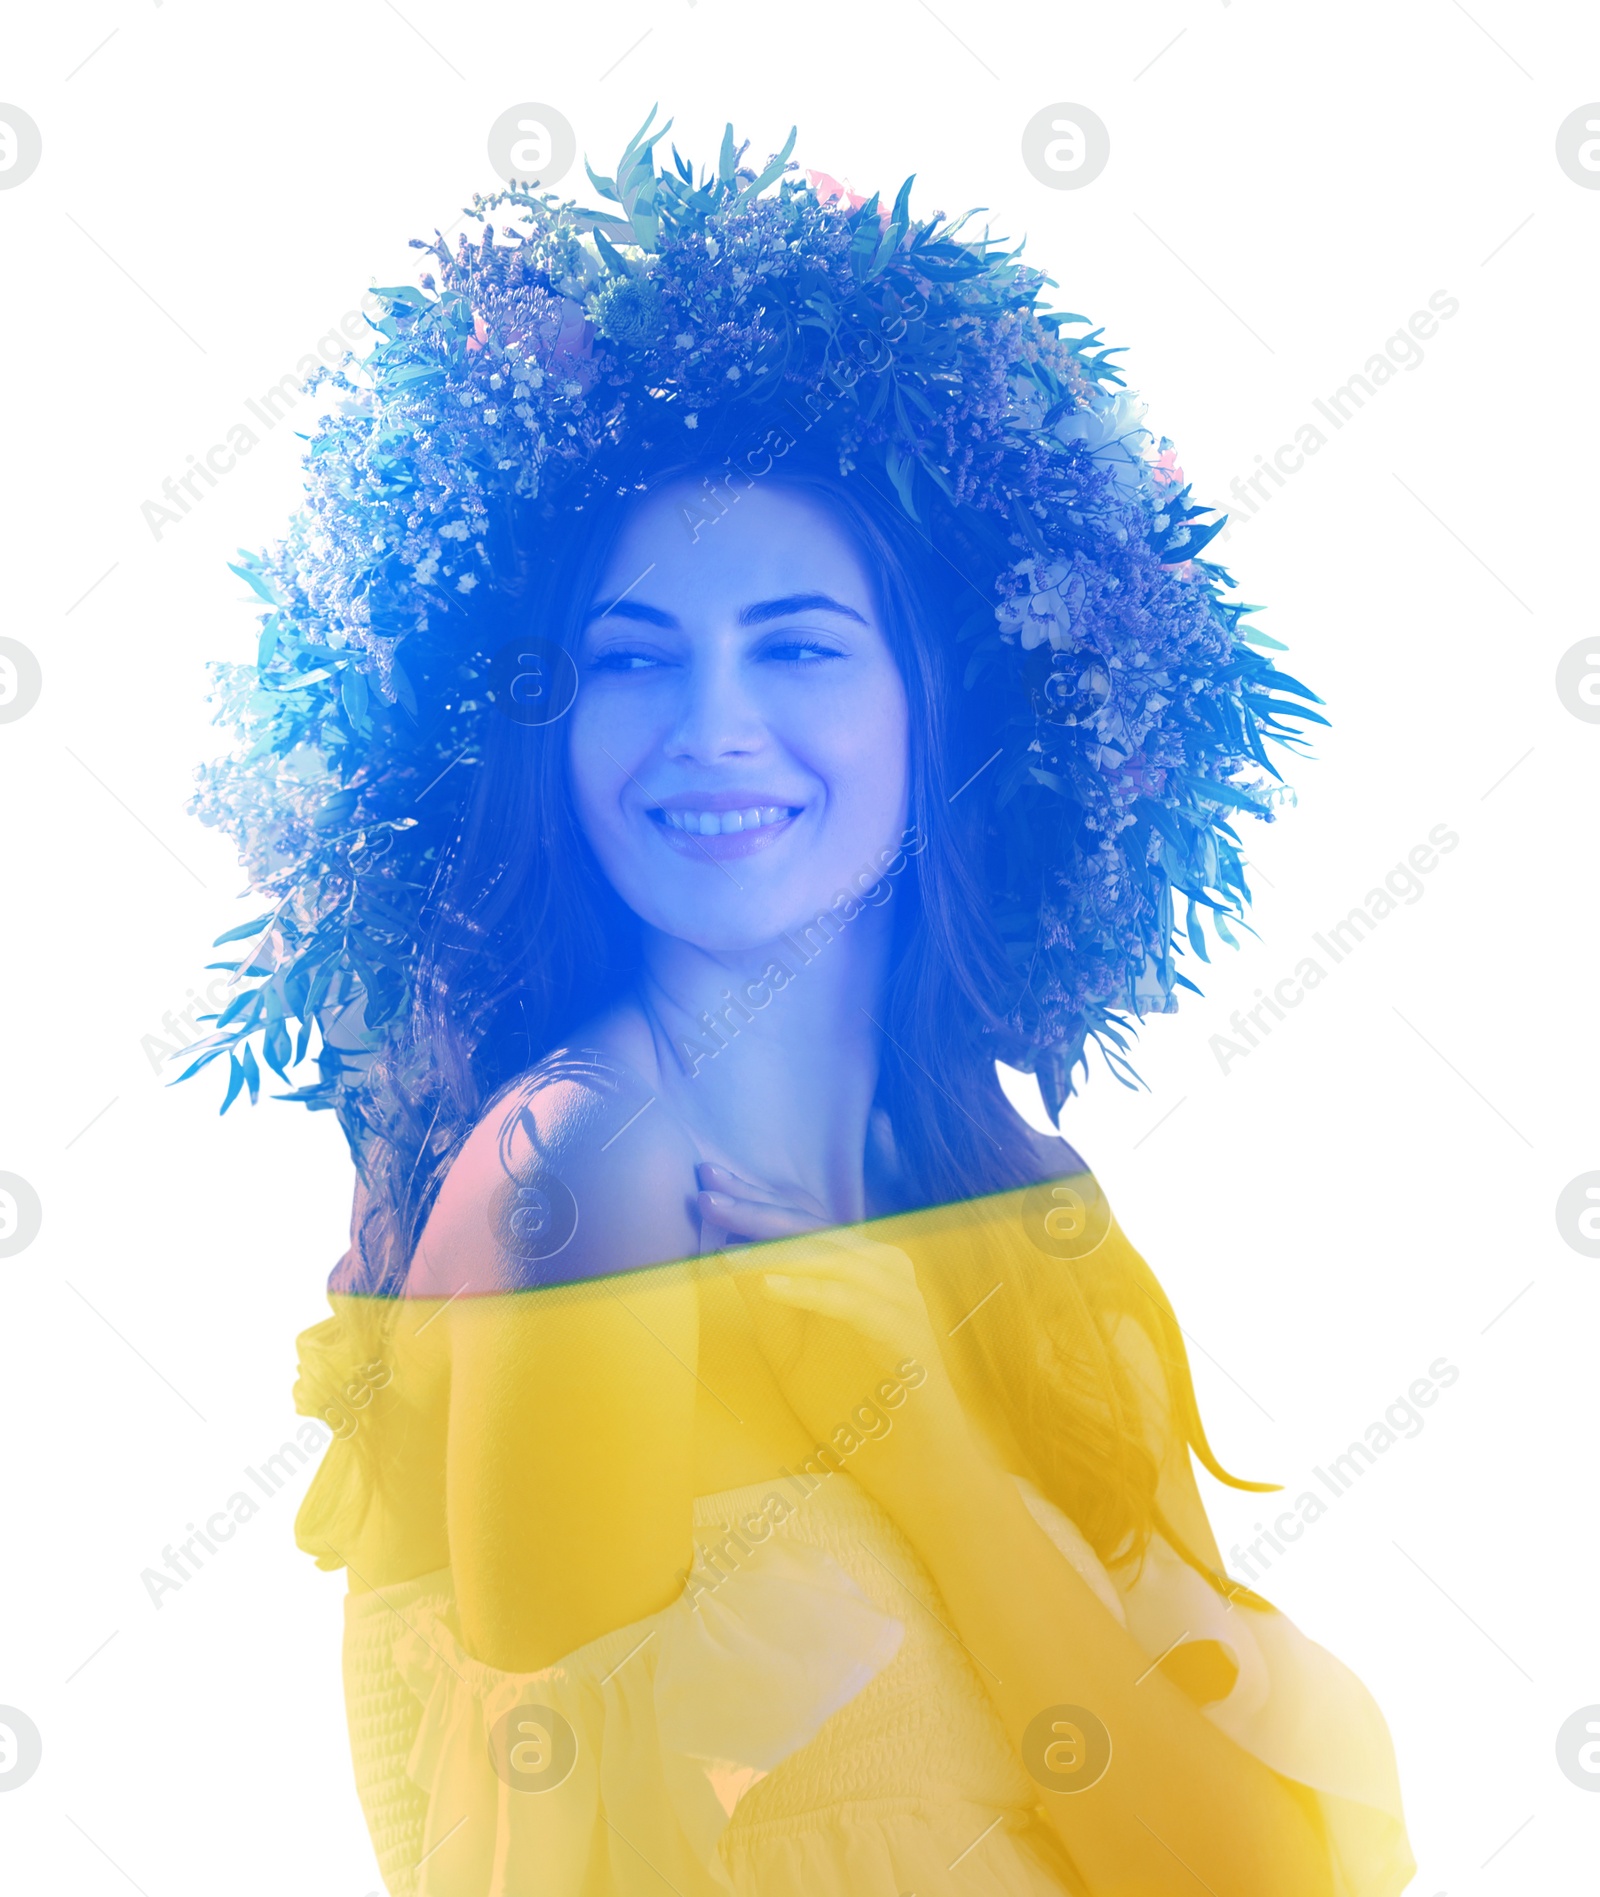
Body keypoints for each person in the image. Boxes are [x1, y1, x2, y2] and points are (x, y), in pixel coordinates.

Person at [193, 118, 1414, 1895]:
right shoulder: (581, 1168)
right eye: (633, 657)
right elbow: (566, 1857)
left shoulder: (1028, 1212)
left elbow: (1249, 1870)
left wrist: (923, 1444)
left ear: (938, 715)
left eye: (797, 644)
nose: (714, 730)